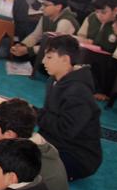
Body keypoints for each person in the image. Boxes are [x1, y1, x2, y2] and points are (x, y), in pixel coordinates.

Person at [37, 35, 102, 180]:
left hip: (78, 156)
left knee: (23, 165)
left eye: (49, 57)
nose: (43, 61)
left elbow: (65, 130)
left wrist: (36, 114)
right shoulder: (53, 80)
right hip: (56, 143)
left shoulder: (79, 92)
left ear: (65, 59)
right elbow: (49, 116)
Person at [11, 0, 78, 61]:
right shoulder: (46, 16)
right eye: (42, 4)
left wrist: (27, 50)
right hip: (47, 53)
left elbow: (54, 48)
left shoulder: (65, 22)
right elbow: (36, 35)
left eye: (46, 5)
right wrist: (22, 45)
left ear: (58, 7)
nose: (41, 8)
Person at [77, 0, 117, 98]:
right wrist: (85, 41)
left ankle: (103, 91)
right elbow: (81, 36)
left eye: (103, 12)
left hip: (109, 61)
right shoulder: (91, 17)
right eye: (97, 12)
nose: (99, 15)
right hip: (89, 54)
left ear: (115, 10)